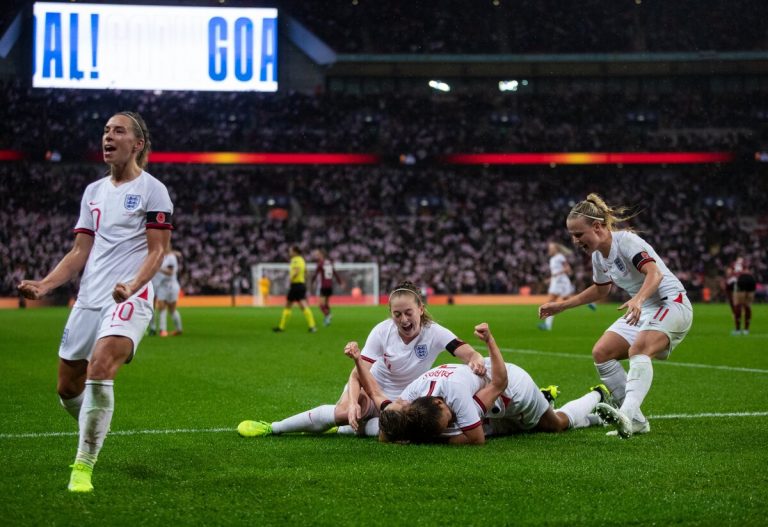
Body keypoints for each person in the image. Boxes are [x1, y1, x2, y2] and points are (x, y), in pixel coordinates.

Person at [18, 112, 173, 492]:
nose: (108, 136)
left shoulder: (154, 190)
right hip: (89, 298)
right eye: (105, 131)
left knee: (100, 368)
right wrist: (45, 285)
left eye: (118, 131)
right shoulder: (93, 192)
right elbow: (78, 251)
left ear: (137, 144)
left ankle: (83, 465)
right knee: (67, 387)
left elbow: (157, 251)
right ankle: (95, 422)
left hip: (129, 297)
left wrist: (133, 284)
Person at [238, 281, 487, 438]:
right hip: (372, 387)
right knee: (345, 411)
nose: (403, 319)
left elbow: (467, 352)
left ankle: (348, 430)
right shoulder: (382, 331)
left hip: (406, 397)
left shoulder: (435, 332)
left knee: (400, 429)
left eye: (408, 312)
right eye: (397, 314)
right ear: (391, 314)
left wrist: (475, 358)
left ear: (420, 308)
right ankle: (274, 427)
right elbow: (359, 372)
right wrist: (355, 402)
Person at [538, 193, 693, 439]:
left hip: (670, 302)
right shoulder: (599, 256)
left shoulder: (627, 242)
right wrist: (562, 306)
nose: (576, 241)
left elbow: (655, 274)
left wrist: (638, 299)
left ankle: (626, 414)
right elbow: (601, 289)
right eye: (572, 236)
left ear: (597, 227)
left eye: (579, 234)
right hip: (643, 307)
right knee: (602, 353)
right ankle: (638, 421)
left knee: (638, 350)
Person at [345, 323, 608, 445]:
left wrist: (490, 341)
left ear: (440, 402)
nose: (450, 425)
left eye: (448, 421)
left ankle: (597, 395)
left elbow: (477, 438)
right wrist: (358, 362)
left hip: (513, 388)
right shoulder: (413, 393)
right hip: (491, 397)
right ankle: (552, 398)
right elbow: (379, 396)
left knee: (555, 425)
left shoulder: (459, 397)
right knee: (505, 429)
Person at [273, 245, 317, 333]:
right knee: (302, 305)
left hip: (296, 285)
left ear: (295, 252)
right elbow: (306, 272)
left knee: (289, 305)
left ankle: (281, 327)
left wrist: (291, 278)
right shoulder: (302, 260)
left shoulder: (295, 260)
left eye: (290, 251)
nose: (289, 253)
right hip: (301, 284)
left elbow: (296, 270)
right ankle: (312, 326)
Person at [153, 241, 183, 337]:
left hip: (171, 285)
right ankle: (163, 330)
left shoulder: (171, 258)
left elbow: (170, 272)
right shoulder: (163, 257)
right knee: (161, 307)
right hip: (162, 285)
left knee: (172, 309)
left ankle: (179, 329)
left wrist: (158, 268)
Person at [313, 249, 344, 326]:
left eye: (317, 254)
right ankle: (327, 320)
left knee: (321, 305)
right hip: (330, 286)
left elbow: (315, 274)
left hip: (323, 286)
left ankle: (328, 315)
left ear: (321, 255)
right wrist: (340, 282)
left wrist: (312, 282)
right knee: (326, 304)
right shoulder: (330, 263)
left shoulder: (320, 264)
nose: (316, 256)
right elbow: (335, 273)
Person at [727, 257, 755, 336]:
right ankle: (746, 330)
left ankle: (738, 330)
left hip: (741, 279)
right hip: (750, 279)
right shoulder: (746, 263)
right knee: (748, 305)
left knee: (738, 305)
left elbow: (730, 275)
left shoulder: (733, 264)